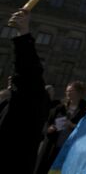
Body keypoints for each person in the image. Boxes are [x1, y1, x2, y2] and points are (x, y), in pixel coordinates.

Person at [0, 9, 50, 173]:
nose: (11, 78)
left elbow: (28, 73)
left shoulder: (30, 103)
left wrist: (24, 33)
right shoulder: (9, 103)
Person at [35, 81, 86, 174]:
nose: (67, 93)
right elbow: (45, 124)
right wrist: (49, 129)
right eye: (67, 91)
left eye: (71, 91)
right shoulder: (59, 107)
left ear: (79, 92)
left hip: (70, 149)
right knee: (45, 169)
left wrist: (73, 126)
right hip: (52, 146)